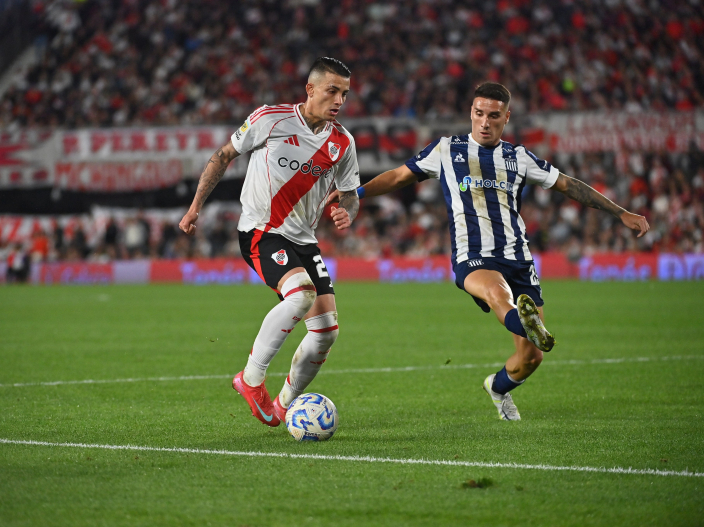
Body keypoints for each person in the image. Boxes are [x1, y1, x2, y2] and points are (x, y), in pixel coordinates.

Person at [335, 82, 649, 420]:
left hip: (518, 258)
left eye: (494, 116)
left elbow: (568, 185)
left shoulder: (519, 157)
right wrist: (357, 193)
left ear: (506, 117)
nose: (485, 122)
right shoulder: (446, 150)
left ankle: (498, 388)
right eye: (479, 113)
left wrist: (620, 212)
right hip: (473, 257)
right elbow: (399, 177)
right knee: (498, 293)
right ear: (471, 113)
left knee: (531, 359)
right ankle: (527, 324)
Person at [179, 57, 361, 427]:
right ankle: (250, 378)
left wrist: (348, 211)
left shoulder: (343, 142)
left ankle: (283, 406)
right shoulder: (270, 119)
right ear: (310, 89)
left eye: (344, 93)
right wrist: (195, 206)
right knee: (302, 294)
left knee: (326, 333)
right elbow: (223, 156)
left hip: (304, 241)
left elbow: (349, 194)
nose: (339, 100)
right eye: (332, 91)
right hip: (261, 231)